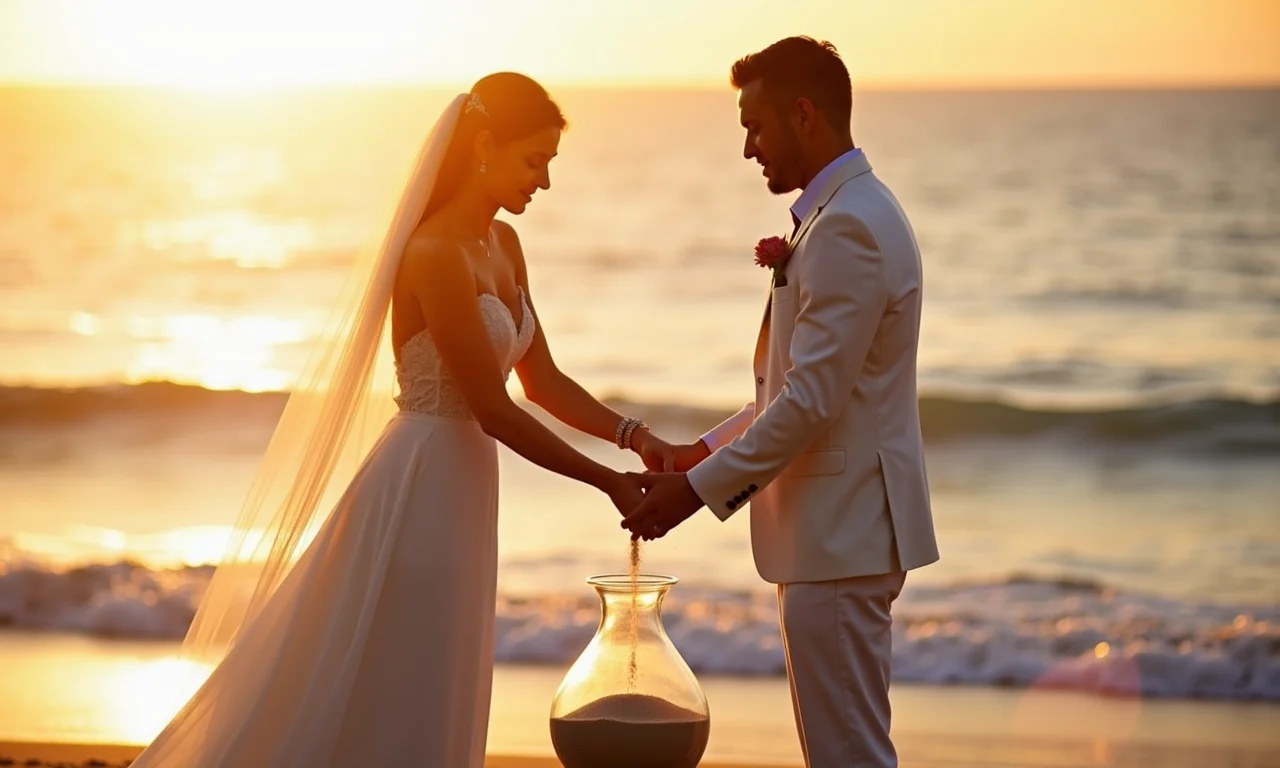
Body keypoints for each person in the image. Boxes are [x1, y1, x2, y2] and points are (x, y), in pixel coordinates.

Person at [130, 72, 665, 767]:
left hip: (468, 485)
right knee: (407, 664)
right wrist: (609, 484)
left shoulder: (504, 246)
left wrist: (638, 437)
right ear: (482, 146)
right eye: (535, 161)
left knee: (445, 653)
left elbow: (543, 381)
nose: (545, 182)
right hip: (421, 484)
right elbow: (491, 407)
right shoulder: (434, 253)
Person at [623, 38, 940, 767]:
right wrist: (699, 451)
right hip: (840, 532)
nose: (746, 149)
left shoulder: (849, 226)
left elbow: (811, 403)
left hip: (840, 532)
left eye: (755, 126)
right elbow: (790, 389)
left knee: (848, 755)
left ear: (803, 116)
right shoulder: (846, 211)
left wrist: (695, 493)